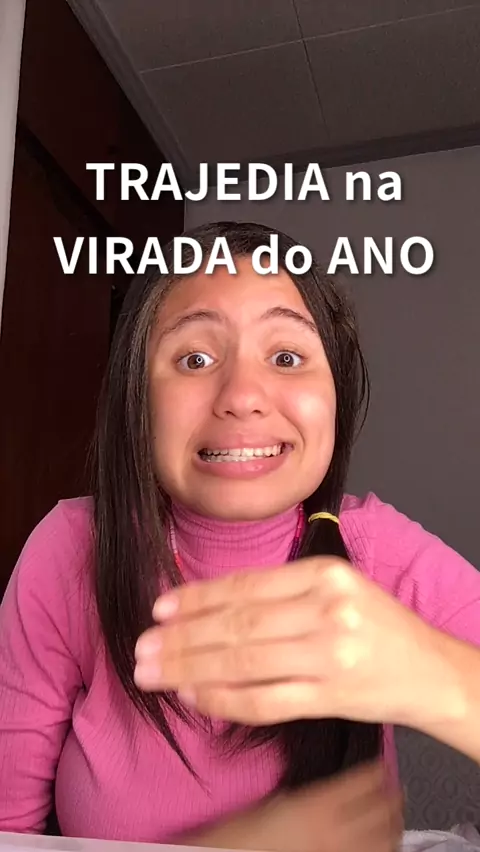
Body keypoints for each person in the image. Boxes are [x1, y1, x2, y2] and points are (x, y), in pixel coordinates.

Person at [0, 221, 479, 851]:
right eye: (195, 359)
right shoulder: (69, 549)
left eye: (286, 357)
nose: (243, 397)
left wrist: (438, 677)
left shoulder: (382, 553)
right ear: (136, 399)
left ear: (336, 391)